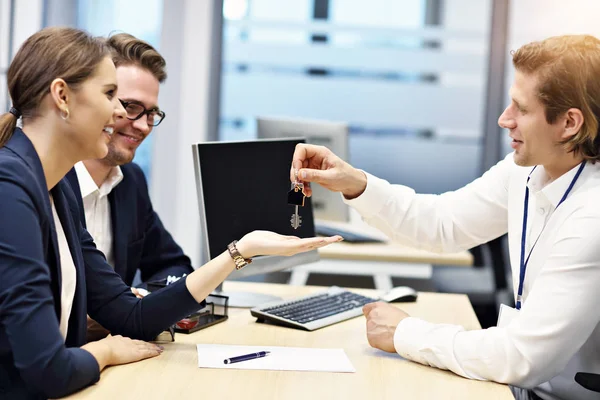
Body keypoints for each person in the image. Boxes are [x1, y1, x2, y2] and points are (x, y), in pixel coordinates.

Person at [0, 27, 340, 399]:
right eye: (111, 95)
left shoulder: (54, 190)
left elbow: (132, 317)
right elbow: (47, 369)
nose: (119, 113)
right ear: (62, 96)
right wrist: (107, 350)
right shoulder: (10, 187)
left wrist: (240, 251)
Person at [290, 35, 600, 400]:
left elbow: (523, 357)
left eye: (521, 108)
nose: (504, 119)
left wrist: (405, 334)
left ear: (569, 124)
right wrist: (355, 183)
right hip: (519, 387)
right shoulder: (526, 172)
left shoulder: (591, 218)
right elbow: (442, 223)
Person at [65, 33, 190, 293]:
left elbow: (176, 268)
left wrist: (137, 301)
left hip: (115, 334)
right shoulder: (47, 180)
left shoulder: (131, 181)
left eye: (152, 113)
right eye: (131, 106)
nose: (143, 125)